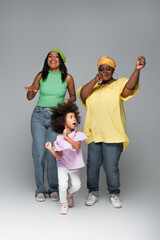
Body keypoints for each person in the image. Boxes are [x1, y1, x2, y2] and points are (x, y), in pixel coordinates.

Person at [77, 55, 146, 208]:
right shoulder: (94, 87)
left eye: (108, 68)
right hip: (94, 132)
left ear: (113, 70)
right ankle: (93, 192)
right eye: (102, 69)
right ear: (98, 71)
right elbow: (82, 95)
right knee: (92, 165)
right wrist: (95, 79)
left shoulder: (119, 83)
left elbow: (129, 88)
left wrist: (137, 69)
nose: (105, 71)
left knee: (110, 166)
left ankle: (114, 193)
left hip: (113, 134)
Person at [24, 49, 76, 202]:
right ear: (47, 60)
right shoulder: (41, 76)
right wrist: (32, 91)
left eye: (56, 56)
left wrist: (67, 101)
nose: (53, 58)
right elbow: (29, 97)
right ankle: (40, 189)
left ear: (61, 60)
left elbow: (73, 96)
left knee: (52, 153)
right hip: (38, 116)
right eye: (50, 56)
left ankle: (53, 188)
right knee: (39, 152)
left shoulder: (67, 78)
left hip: (56, 117)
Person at [45, 102, 87, 215]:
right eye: (70, 117)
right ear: (63, 122)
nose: (74, 119)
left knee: (77, 185)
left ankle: (69, 193)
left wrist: (66, 137)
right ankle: (63, 204)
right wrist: (50, 149)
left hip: (74, 167)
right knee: (62, 185)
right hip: (62, 165)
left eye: (74, 117)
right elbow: (58, 156)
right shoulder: (58, 139)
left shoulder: (77, 133)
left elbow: (77, 146)